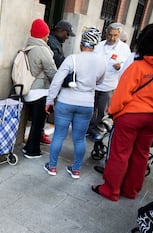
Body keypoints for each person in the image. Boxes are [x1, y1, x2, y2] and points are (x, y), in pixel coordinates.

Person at [92, 23, 153, 201]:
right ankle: (131, 191)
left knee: (120, 154)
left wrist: (113, 113)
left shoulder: (138, 66)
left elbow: (121, 95)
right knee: (141, 155)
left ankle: (111, 190)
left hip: (131, 116)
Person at [43, 27, 105, 178]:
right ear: (95, 45)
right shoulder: (101, 62)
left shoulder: (72, 59)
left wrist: (49, 100)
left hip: (66, 101)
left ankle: (52, 167)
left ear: (81, 44)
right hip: (86, 104)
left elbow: (57, 81)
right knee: (79, 138)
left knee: (58, 135)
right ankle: (76, 169)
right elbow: (100, 82)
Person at [87, 23, 131, 140]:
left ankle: (98, 130)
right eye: (110, 35)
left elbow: (127, 66)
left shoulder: (124, 49)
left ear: (119, 35)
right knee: (91, 108)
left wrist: (120, 66)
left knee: (103, 111)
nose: (112, 38)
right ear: (106, 34)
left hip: (109, 85)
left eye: (115, 36)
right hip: (95, 83)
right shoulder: (99, 45)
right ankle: (89, 128)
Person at [21, 18, 57, 158]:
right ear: (42, 35)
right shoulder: (42, 50)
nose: (48, 37)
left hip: (30, 90)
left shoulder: (29, 47)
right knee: (38, 123)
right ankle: (32, 150)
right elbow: (52, 71)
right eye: (46, 34)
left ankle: (28, 147)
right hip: (40, 91)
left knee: (34, 122)